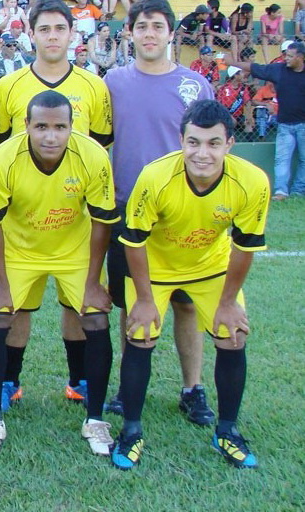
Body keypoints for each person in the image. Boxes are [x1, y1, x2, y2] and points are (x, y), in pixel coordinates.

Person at [112, 99, 269, 470]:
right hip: (155, 267)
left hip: (210, 267)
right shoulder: (155, 176)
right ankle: (131, 430)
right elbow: (133, 241)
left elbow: (245, 247)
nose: (202, 153)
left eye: (213, 143)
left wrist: (228, 302)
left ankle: (227, 431)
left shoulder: (252, 181)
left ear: (230, 144)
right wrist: (146, 298)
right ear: (181, 140)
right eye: (194, 142)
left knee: (233, 334)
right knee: (142, 332)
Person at [0, 90, 118, 456]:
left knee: (97, 319)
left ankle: (96, 420)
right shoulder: (4, 158)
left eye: (59, 127)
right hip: (20, 250)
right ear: (26, 126)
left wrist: (91, 283)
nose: (50, 136)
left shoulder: (93, 157)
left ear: (72, 128)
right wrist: (2, 283)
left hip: (74, 250)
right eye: (41, 126)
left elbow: (102, 222)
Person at [103, 0, 216, 420]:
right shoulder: (113, 81)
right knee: (131, 302)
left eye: (157, 26)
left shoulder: (194, 85)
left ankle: (193, 388)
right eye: (142, 26)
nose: (149, 33)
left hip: (183, 211)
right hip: (128, 206)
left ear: (171, 33)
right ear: (130, 33)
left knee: (186, 303)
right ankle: (126, 387)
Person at [231, 41, 305, 200]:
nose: (286, 58)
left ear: (300, 58)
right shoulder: (279, 70)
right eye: (286, 55)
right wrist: (232, 62)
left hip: (304, 125)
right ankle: (280, 191)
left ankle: (298, 191)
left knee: (304, 160)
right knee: (281, 159)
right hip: (284, 124)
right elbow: (255, 68)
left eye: (290, 56)